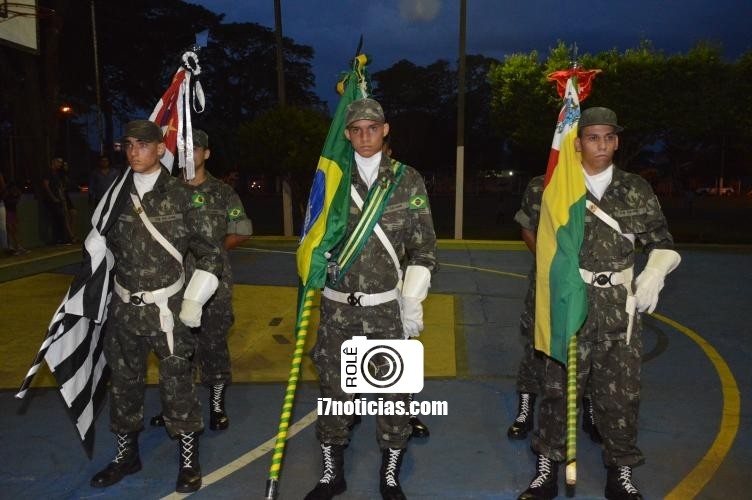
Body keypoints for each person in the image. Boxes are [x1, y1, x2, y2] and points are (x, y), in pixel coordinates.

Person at [518, 108, 680, 500]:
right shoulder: (553, 185)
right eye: (593, 137)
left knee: (621, 395)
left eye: (609, 137)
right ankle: (547, 468)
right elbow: (529, 227)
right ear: (577, 143)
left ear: (617, 141)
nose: (602, 145)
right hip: (568, 302)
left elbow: (662, 242)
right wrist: (555, 268)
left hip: (618, 309)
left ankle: (620, 471)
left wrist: (654, 273)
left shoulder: (635, 188)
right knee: (557, 389)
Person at [305, 98, 437, 500]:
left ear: (385, 130)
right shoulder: (331, 178)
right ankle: (333, 474)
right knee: (334, 395)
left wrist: (411, 300)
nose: (365, 137)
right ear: (347, 134)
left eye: (372, 129)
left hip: (385, 309)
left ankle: (391, 475)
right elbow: (311, 241)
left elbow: (424, 249)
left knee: (394, 398)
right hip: (336, 308)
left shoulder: (407, 179)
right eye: (357, 130)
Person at [89, 120, 222, 493]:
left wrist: (194, 299)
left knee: (177, 385)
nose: (134, 151)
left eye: (143, 144)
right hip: (124, 308)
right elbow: (103, 243)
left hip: (168, 310)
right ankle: (126, 456)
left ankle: (188, 460)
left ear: (161, 148)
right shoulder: (115, 194)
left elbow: (211, 254)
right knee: (123, 384)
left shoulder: (182, 195)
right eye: (129, 144)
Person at [150, 128, 252, 431]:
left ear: (206, 153)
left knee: (213, 344)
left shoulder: (222, 192)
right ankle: (176, 405)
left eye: (195, 149)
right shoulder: (166, 191)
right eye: (184, 149)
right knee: (174, 347)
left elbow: (242, 230)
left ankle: (216, 405)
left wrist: (212, 252)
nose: (189, 155)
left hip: (214, 284)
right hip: (173, 282)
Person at [507, 177, 601, 445]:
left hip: (589, 286)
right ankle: (525, 410)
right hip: (548, 284)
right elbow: (527, 229)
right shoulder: (541, 185)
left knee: (590, 346)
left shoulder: (598, 186)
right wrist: (553, 265)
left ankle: (590, 412)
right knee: (536, 345)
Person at [41, 157, 72, 244]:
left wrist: (61, 198)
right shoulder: (48, 172)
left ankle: (61, 239)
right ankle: (56, 239)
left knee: (60, 218)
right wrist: (53, 197)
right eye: (58, 162)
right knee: (56, 219)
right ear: (53, 162)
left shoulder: (57, 173)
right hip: (51, 200)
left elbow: (60, 187)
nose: (60, 164)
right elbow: (46, 185)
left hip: (58, 199)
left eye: (61, 163)